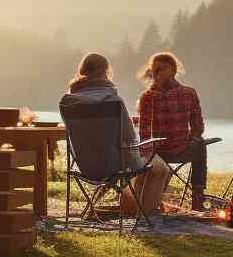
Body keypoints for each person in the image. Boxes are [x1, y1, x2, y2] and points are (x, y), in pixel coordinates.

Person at [60, 52, 171, 215]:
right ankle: (145, 214)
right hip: (113, 165)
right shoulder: (112, 100)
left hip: (85, 166)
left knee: (146, 166)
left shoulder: (67, 100)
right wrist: (141, 152)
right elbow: (130, 138)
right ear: (105, 72)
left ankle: (134, 209)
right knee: (160, 167)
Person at [136, 51, 208, 210]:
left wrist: (194, 138)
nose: (157, 74)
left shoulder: (189, 93)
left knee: (200, 144)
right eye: (154, 71)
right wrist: (147, 157)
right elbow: (145, 131)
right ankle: (197, 196)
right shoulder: (148, 97)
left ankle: (197, 197)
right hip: (158, 153)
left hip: (180, 148)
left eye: (162, 69)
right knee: (200, 144)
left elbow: (198, 125)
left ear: (173, 71)